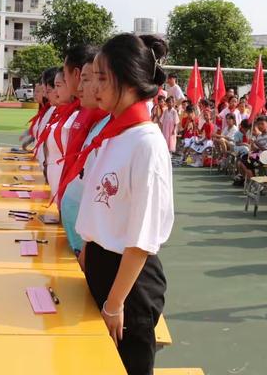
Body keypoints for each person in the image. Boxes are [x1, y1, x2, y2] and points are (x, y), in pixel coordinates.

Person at [72, 33, 173, 375]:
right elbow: (99, 210)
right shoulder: (115, 134)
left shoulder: (146, 143)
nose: (94, 86)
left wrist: (115, 304)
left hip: (129, 284)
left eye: (103, 77)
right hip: (102, 267)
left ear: (128, 80)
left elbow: (142, 237)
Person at [60, 51, 110, 254]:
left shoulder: (130, 135)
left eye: (97, 78)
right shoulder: (98, 124)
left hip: (92, 248)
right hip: (81, 242)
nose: (81, 87)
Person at [45, 68, 78, 198]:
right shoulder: (63, 114)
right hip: (55, 181)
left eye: (58, 85)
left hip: (65, 186)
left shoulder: (76, 117)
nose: (55, 91)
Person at [236, 115, 267, 184]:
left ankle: (254, 183)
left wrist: (256, 143)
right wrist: (252, 145)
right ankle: (251, 181)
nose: (260, 126)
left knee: (246, 163)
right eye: (259, 124)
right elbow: (256, 149)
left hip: (266, 158)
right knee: (241, 161)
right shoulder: (260, 136)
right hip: (259, 156)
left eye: (262, 124)